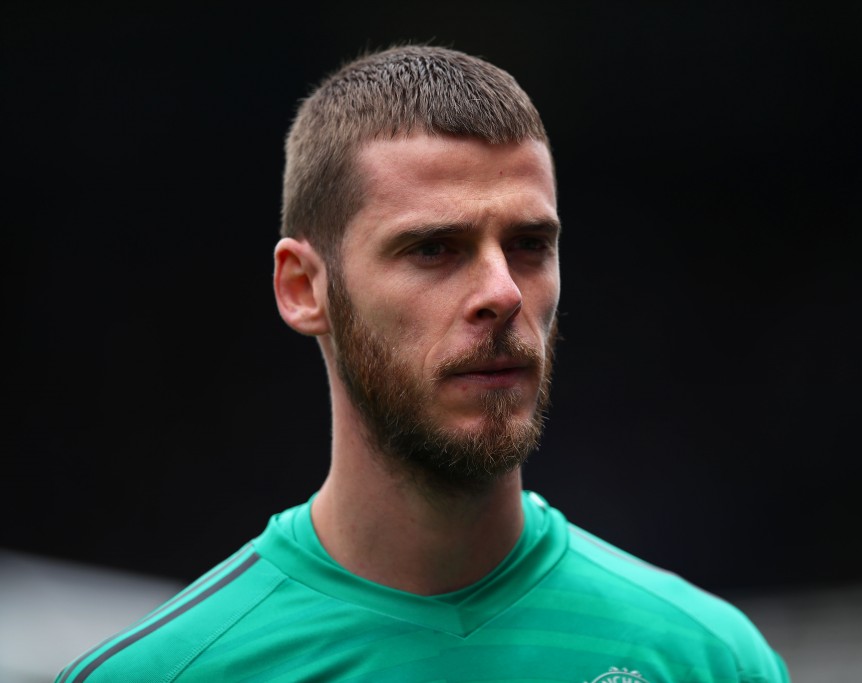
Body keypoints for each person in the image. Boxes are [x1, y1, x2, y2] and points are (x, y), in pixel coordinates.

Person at [56, 45, 789, 683]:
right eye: (434, 248)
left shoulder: (709, 660)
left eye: (530, 245)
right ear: (303, 288)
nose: (503, 292)